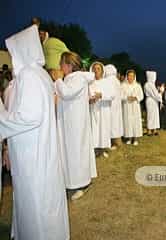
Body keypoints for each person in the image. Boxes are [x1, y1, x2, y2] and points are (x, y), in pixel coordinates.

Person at [0, 25, 69, 240]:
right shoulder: (37, 74)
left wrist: (0, 114)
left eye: (13, 52)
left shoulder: (29, 75)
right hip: (35, 150)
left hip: (32, 153)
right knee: (41, 199)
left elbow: (29, 116)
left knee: (36, 201)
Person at [55, 51, 97, 201]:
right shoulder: (71, 78)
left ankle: (82, 184)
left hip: (75, 123)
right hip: (70, 121)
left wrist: (58, 80)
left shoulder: (77, 78)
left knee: (76, 152)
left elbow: (66, 93)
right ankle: (72, 181)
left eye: (61, 63)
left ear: (69, 65)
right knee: (70, 152)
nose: (59, 66)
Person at [89, 62, 115, 157]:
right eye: (94, 69)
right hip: (94, 108)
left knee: (103, 128)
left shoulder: (107, 82)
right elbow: (87, 95)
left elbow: (112, 95)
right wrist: (90, 100)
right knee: (94, 129)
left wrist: (102, 95)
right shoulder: (90, 83)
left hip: (104, 109)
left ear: (102, 71)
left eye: (98, 69)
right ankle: (95, 149)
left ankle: (103, 148)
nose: (96, 71)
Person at [121, 69, 144, 146]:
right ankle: (129, 138)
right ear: (127, 77)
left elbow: (141, 96)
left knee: (135, 121)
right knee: (128, 121)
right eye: (129, 76)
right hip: (127, 106)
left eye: (132, 76)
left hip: (135, 106)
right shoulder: (123, 85)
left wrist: (135, 98)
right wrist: (127, 97)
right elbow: (120, 95)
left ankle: (135, 138)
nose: (130, 77)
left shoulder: (137, 86)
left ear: (134, 77)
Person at [104, 64, 124, 149]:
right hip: (117, 106)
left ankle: (113, 143)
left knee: (111, 124)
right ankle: (117, 142)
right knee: (116, 123)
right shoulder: (116, 80)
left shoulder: (108, 80)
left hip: (110, 105)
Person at [144, 71, 162, 136]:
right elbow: (155, 94)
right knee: (150, 115)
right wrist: (160, 93)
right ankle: (149, 130)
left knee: (155, 115)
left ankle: (154, 130)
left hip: (153, 101)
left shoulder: (150, 84)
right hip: (151, 101)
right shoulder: (149, 84)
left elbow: (155, 94)